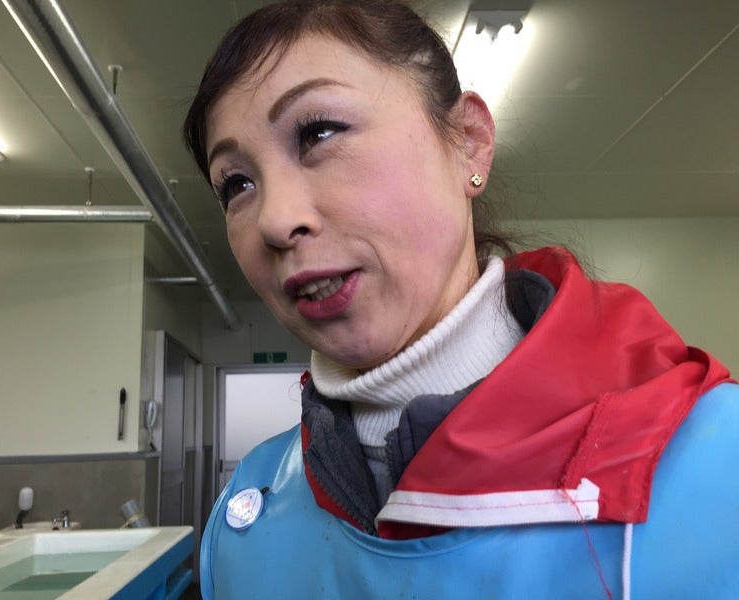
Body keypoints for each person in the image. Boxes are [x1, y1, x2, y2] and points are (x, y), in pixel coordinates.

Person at [183, 1, 738, 598]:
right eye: (236, 184)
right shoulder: (246, 517)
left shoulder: (714, 465)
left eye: (319, 132)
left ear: (468, 143)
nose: (274, 220)